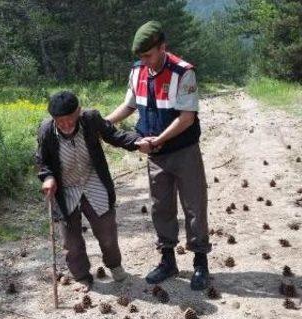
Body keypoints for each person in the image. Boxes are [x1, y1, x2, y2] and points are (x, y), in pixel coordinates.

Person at [105, 21, 211, 290]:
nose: (145, 61)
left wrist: (159, 140)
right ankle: (168, 260)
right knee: (160, 207)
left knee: (194, 206)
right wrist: (104, 124)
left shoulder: (183, 73)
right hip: (155, 155)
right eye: (140, 57)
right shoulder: (138, 70)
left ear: (163, 48)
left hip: (183, 151)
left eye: (149, 55)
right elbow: (129, 105)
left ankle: (200, 262)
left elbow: (187, 118)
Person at [35, 91, 150, 290]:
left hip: (93, 183)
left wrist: (136, 142)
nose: (66, 125)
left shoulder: (90, 119)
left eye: (70, 120)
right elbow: (42, 161)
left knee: (107, 233)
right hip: (66, 190)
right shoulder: (46, 130)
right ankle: (81, 276)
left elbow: (114, 135)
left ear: (78, 112)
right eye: (60, 122)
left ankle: (114, 265)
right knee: (71, 242)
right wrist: (48, 177)